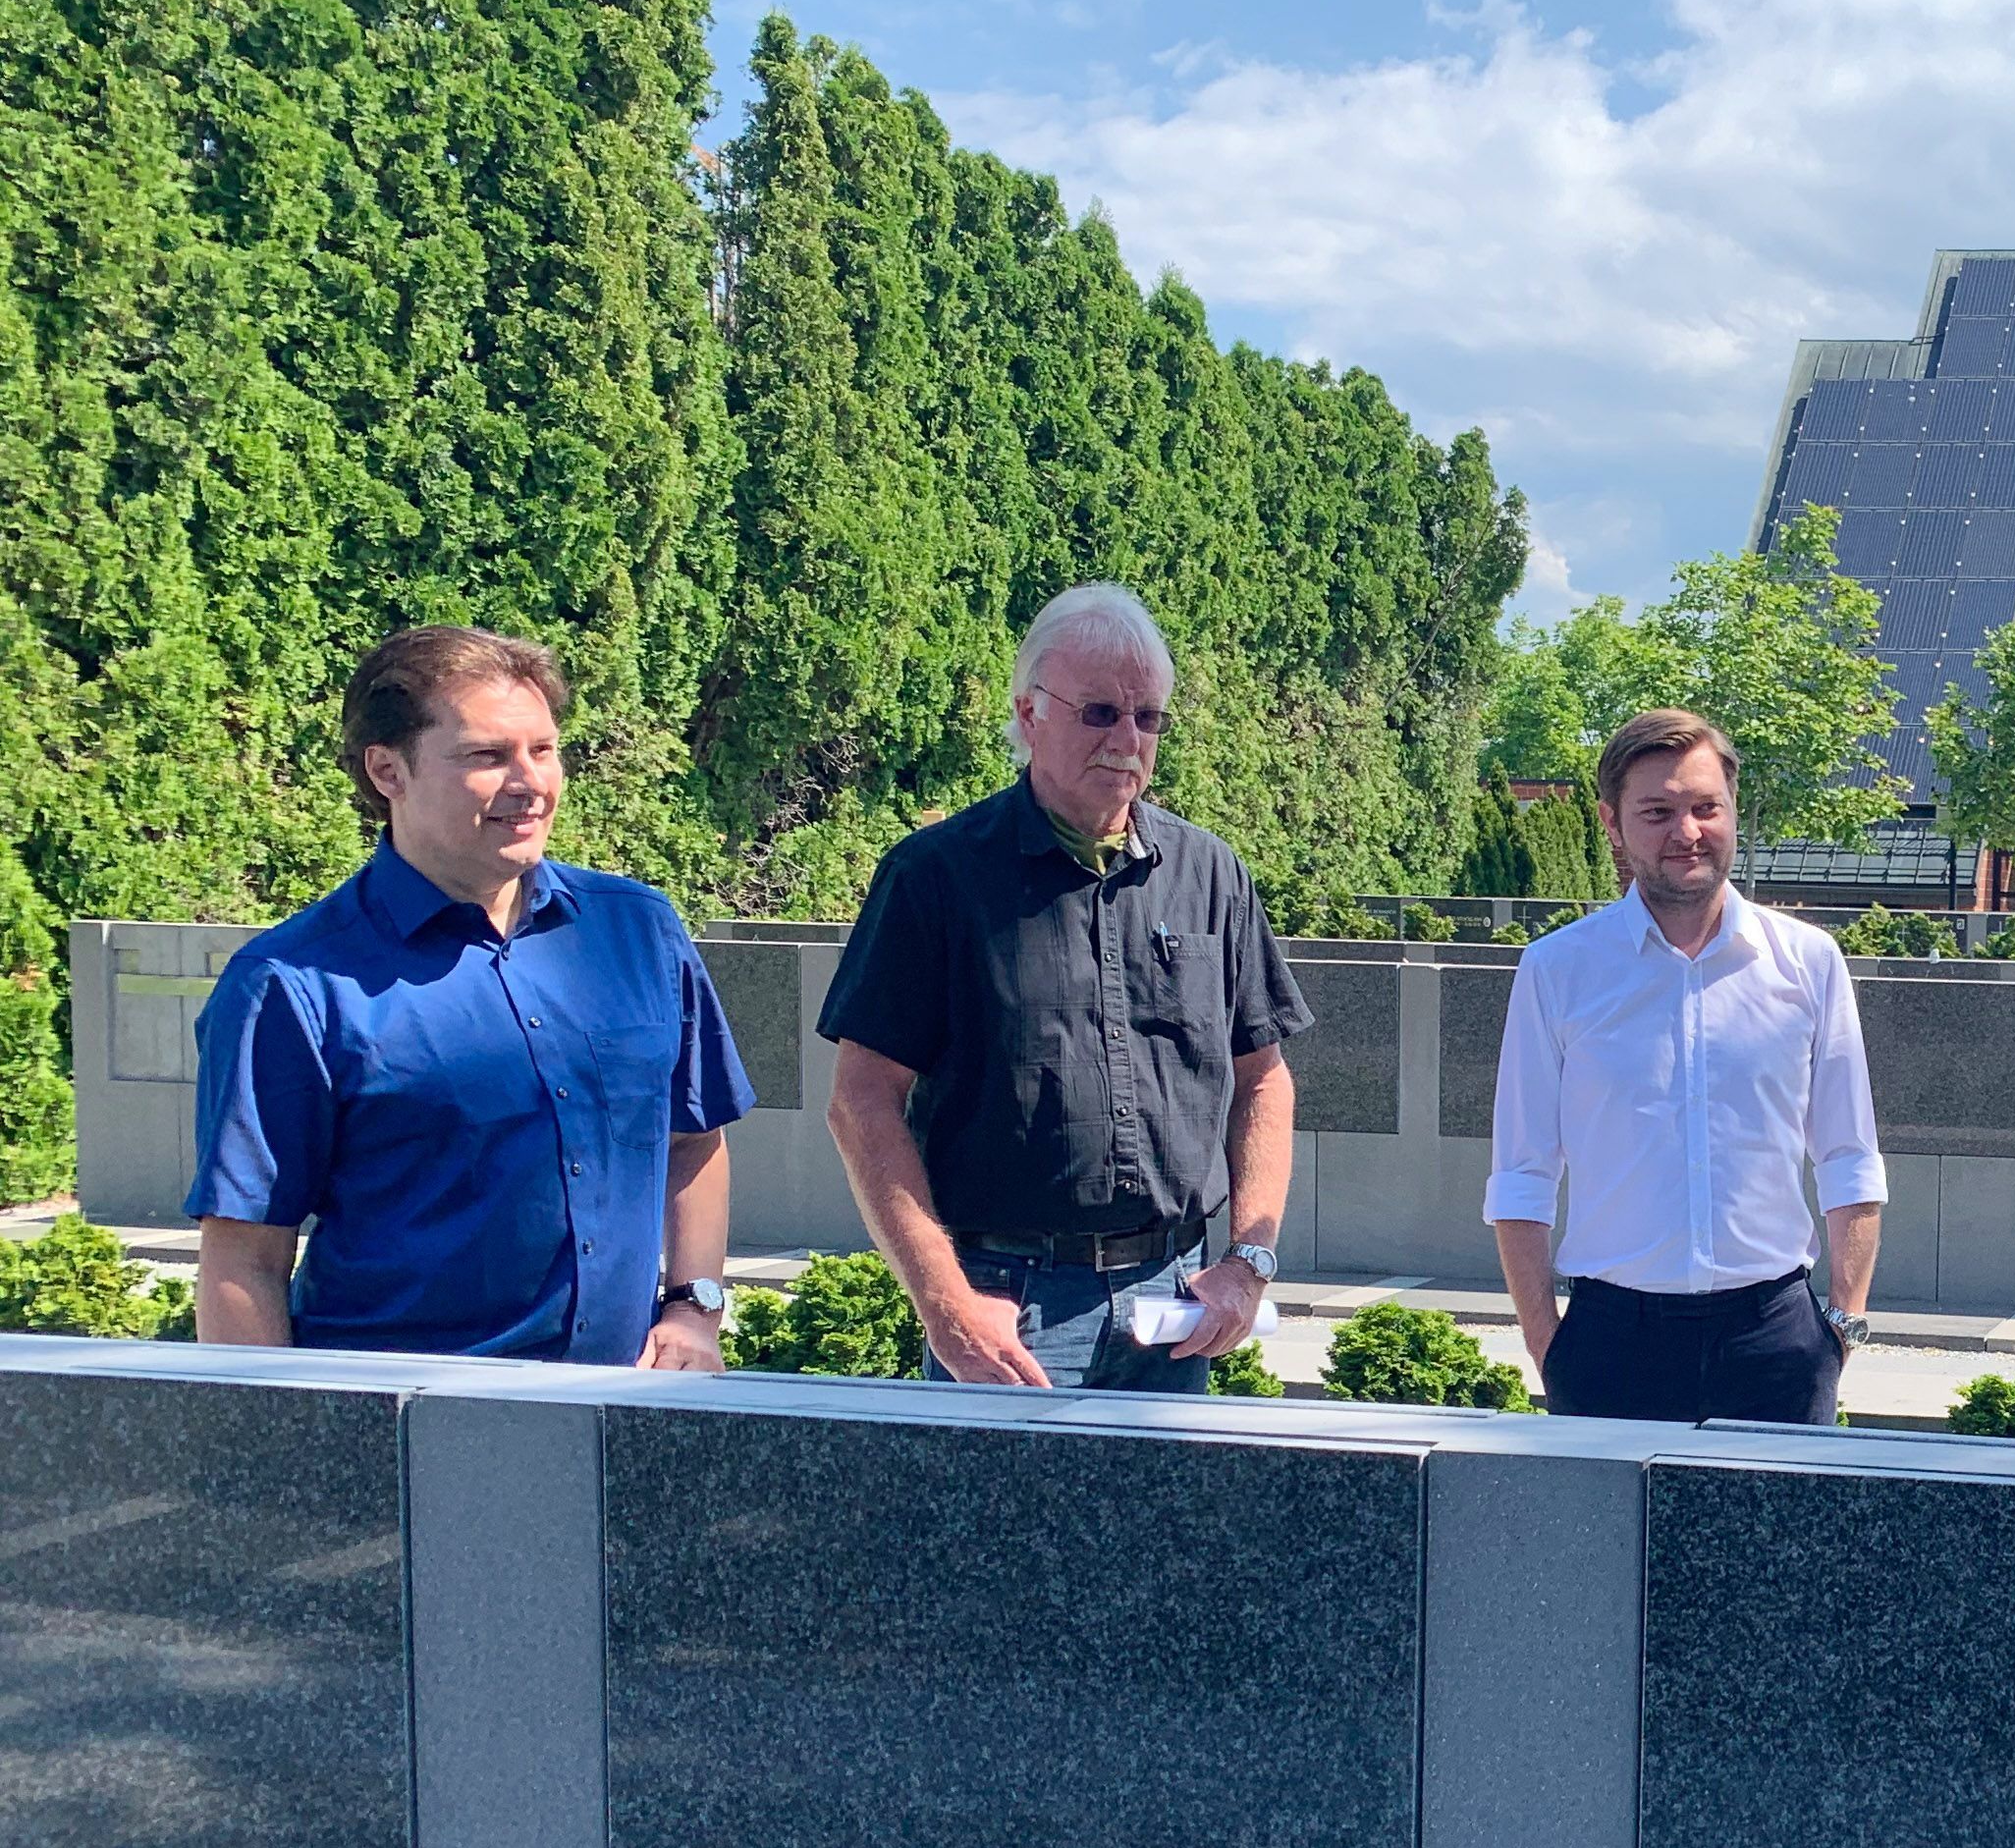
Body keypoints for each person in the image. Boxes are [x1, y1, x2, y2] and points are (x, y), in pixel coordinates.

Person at [190, 626, 752, 1367]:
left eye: (544, 750)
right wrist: (285, 1453)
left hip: (622, 1411)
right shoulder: (291, 985)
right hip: (399, 1431)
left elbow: (694, 1140)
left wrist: (692, 1310)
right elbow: (244, 1260)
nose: (531, 783)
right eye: (487, 756)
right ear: (387, 771)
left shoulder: (638, 928)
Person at [819, 583, 1307, 1391]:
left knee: (1162, 1525)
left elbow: (1264, 1081)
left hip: (1173, 1309)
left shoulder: (1210, 874)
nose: (1127, 737)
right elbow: (861, 1101)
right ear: (1028, 712)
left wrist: (1247, 1264)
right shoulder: (935, 878)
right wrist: (945, 1303)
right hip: (1007, 1307)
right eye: (1100, 712)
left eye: (1149, 717)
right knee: (995, 1524)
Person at [1488, 708, 1882, 1424]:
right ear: (1612, 823)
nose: (1687, 832)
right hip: (1610, 1344)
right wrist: (1549, 1346)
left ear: (1732, 808)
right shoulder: (1558, 970)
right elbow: (1521, 1176)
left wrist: (1842, 1327)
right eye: (1657, 811)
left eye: (1706, 807)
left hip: (1778, 1342)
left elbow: (1849, 1157)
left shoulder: (1809, 963)